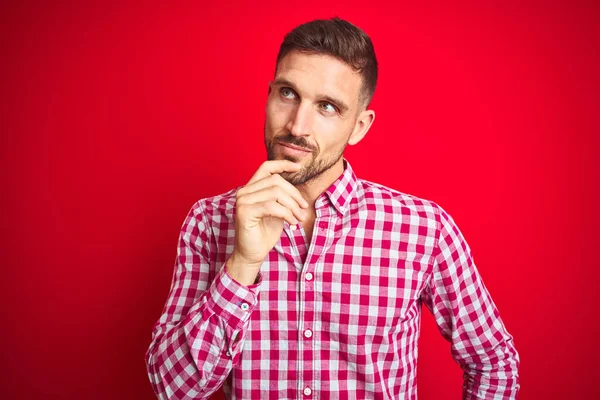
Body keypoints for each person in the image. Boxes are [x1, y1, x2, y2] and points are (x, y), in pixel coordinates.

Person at [145, 17, 520, 399]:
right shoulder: (209, 222)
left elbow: (493, 361)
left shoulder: (424, 229)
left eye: (327, 106)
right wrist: (242, 264)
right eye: (288, 93)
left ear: (359, 126)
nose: (297, 126)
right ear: (269, 95)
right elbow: (172, 389)